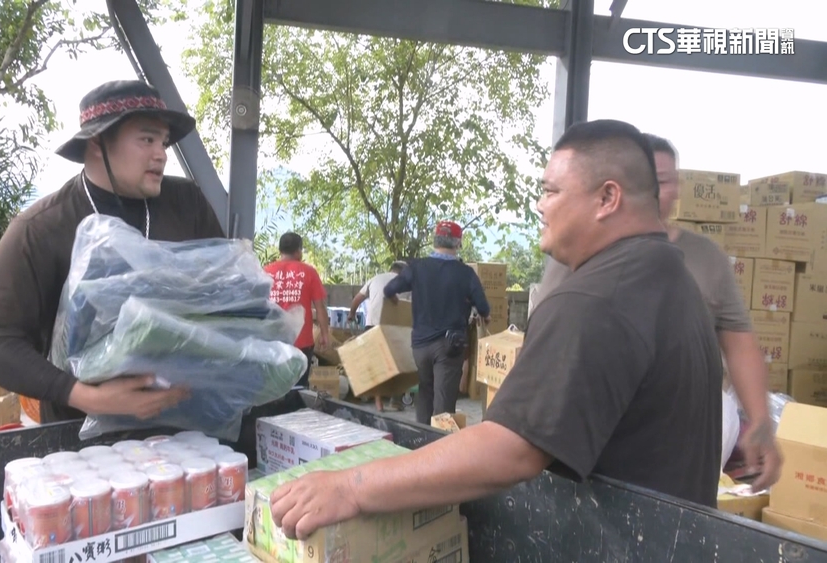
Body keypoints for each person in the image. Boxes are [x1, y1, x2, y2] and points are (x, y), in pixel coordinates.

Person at [269, 119, 724, 541]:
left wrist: (351, 487)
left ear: (607, 198)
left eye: (551, 191)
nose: (541, 206)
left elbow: (508, 449)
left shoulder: (596, 298)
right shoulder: (674, 280)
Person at [0, 80, 225, 424]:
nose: (161, 153)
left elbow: (227, 295)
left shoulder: (187, 205)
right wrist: (88, 397)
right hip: (83, 446)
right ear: (98, 143)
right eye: (146, 139)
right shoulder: (42, 227)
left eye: (163, 142)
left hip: (187, 430)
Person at [535, 134, 782, 491]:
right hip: (597, 433)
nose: (654, 190)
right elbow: (545, 344)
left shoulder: (706, 259)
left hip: (683, 440)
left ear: (676, 188)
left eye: (663, 181)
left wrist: (761, 423)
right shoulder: (578, 253)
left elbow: (739, 342)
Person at [382, 222, 490, 424]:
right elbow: (483, 306)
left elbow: (389, 290)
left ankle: (421, 440)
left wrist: (396, 300)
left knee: (425, 391)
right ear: (458, 243)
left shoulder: (416, 267)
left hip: (420, 345)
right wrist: (485, 315)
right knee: (444, 401)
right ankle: (440, 444)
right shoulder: (465, 273)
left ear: (434, 240)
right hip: (450, 346)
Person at [264, 232, 330, 388]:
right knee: (298, 389)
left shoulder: (265, 272)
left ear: (280, 250)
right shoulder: (309, 272)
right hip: (301, 343)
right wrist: (325, 334)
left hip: (272, 341)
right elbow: (320, 308)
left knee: (273, 389)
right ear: (298, 251)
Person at [347, 261, 410, 411]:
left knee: (376, 364)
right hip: (395, 327)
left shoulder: (375, 278)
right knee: (398, 364)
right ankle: (395, 401)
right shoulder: (406, 283)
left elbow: (357, 299)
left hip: (372, 325)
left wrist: (351, 314)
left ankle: (378, 402)